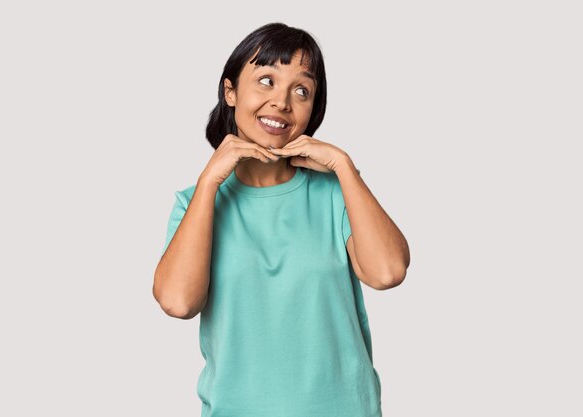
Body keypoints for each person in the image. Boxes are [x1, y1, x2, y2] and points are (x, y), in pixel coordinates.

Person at [153, 22, 410, 417]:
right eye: (266, 80)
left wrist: (344, 166)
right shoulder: (196, 203)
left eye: (301, 90)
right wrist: (208, 183)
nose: (282, 102)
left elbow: (388, 272)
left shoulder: (336, 194)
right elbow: (177, 301)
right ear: (230, 92)